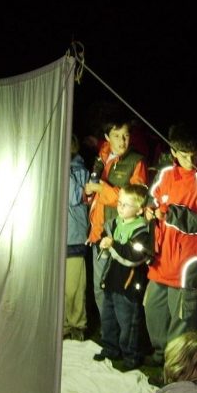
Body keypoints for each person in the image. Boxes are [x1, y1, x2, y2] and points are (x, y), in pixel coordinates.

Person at [144, 124, 197, 366]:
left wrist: (174, 214)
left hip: (186, 264)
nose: (190, 159)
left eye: (194, 154)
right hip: (160, 259)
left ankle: (176, 366)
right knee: (152, 310)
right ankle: (159, 355)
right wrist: (148, 210)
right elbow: (152, 198)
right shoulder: (165, 173)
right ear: (174, 152)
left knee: (182, 319)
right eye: (184, 154)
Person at [85, 113, 148, 319]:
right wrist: (88, 193)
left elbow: (135, 200)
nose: (122, 140)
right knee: (99, 288)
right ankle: (108, 339)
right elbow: (95, 197)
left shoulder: (136, 161)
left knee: (121, 294)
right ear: (107, 137)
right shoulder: (101, 157)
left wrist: (102, 188)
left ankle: (124, 343)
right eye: (117, 135)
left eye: (126, 135)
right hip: (98, 233)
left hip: (121, 237)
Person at [94, 184, 151, 369]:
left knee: (129, 323)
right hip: (112, 280)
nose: (120, 207)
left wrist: (112, 245)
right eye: (119, 203)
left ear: (140, 209)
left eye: (126, 205)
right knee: (109, 317)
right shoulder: (116, 223)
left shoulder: (142, 231)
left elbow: (133, 257)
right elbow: (108, 243)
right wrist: (103, 243)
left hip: (128, 285)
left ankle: (131, 356)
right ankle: (110, 348)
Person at [65, 134, 90, 341]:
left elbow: (73, 197)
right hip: (60, 235)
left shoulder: (80, 170)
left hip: (74, 235)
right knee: (62, 285)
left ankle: (77, 324)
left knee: (74, 285)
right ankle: (63, 324)